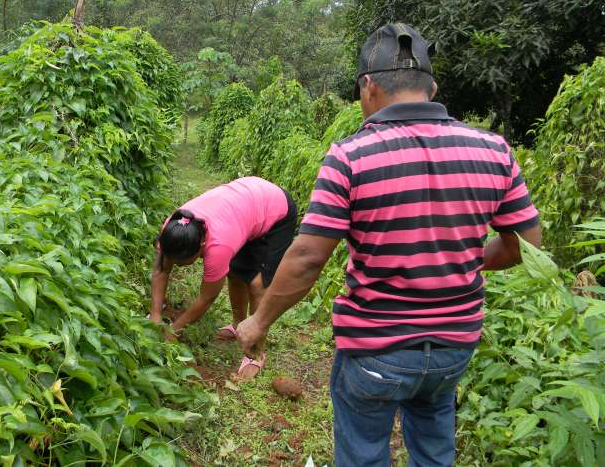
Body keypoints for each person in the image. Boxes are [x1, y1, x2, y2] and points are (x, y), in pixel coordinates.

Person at [236, 23, 542, 466]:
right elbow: (526, 247)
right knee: (435, 448)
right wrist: (456, 259)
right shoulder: (494, 150)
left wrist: (258, 322)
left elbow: (306, 258)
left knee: (363, 454)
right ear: (432, 86)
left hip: (376, 347)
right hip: (454, 346)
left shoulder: (351, 156)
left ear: (368, 86)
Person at [150, 176, 297, 379]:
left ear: (201, 247)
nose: (178, 265)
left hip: (275, 210)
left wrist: (173, 329)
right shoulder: (173, 228)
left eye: (184, 262)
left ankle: (255, 353)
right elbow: (161, 270)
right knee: (235, 273)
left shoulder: (218, 246)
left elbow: (206, 298)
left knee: (257, 285)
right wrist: (155, 316)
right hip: (244, 206)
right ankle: (238, 326)